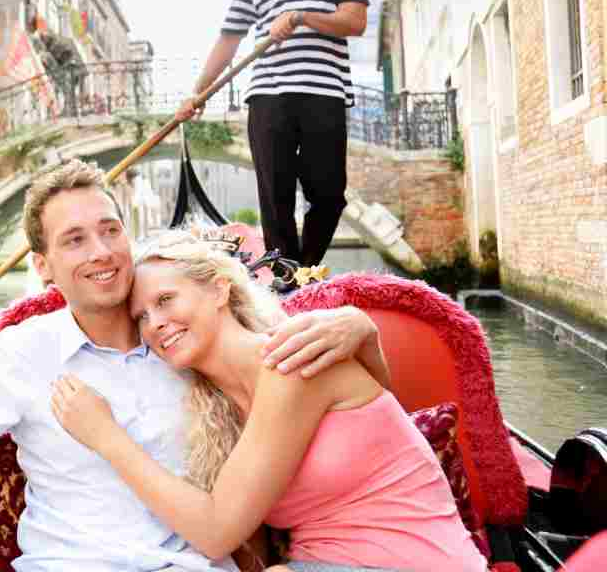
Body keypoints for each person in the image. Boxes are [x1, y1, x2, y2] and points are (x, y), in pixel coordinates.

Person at [0, 159, 392, 572]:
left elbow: (341, 406)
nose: (101, 252)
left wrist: (361, 330)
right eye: (74, 240)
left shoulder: (189, 338)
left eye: (110, 230)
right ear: (43, 267)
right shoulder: (20, 355)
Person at [50, 230, 488, 572]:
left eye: (165, 300)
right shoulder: (216, 409)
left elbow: (216, 531)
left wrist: (106, 438)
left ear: (220, 290)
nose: (156, 324)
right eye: (141, 317)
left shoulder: (290, 361)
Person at [176, 0, 369, 268]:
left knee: (329, 194)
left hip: (324, 92)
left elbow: (354, 20)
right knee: (274, 193)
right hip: (268, 95)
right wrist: (198, 93)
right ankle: (286, 275)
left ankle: (307, 270)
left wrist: (301, 16)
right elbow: (229, 40)